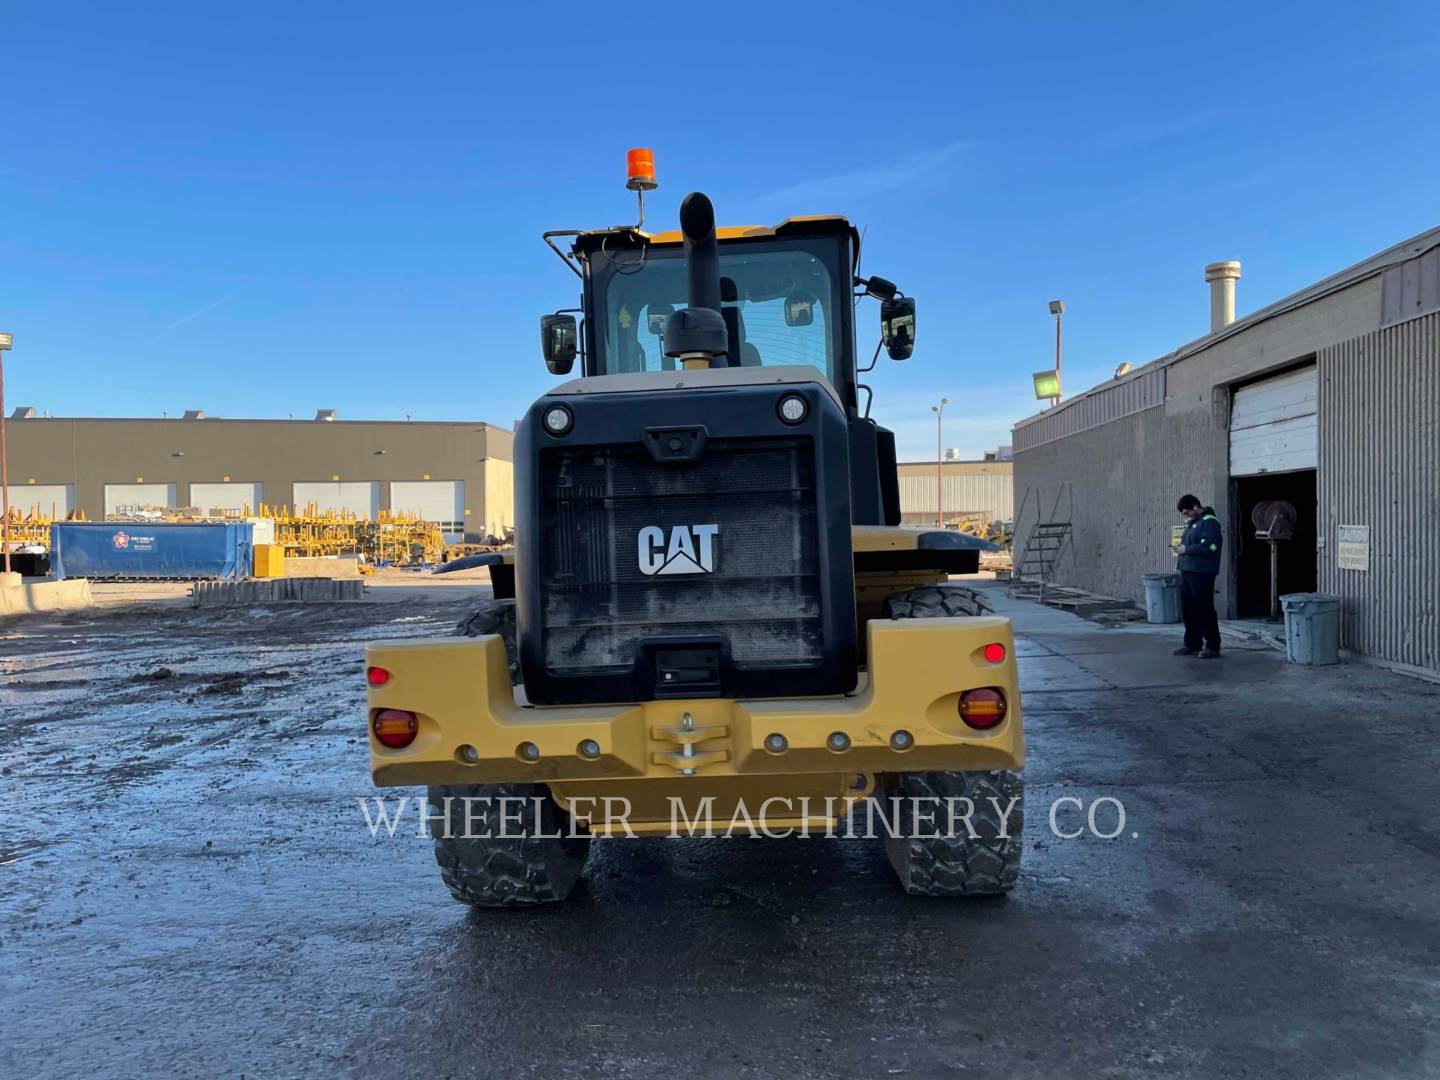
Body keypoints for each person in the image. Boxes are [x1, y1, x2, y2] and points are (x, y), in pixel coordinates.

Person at [1172, 494, 1222, 658]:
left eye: (1187, 512)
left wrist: (1187, 550)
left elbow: (1211, 546)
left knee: (1204, 608)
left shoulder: (1210, 523)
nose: (1186, 515)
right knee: (1188, 608)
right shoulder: (1193, 524)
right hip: (1187, 571)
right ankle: (1192, 643)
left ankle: (1212, 645)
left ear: (1195, 507)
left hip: (1202, 572)